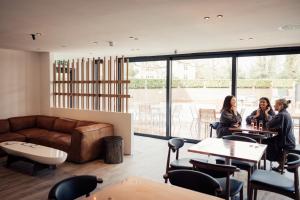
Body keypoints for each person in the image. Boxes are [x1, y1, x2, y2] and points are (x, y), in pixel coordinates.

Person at [264, 98, 296, 169]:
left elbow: (269, 124)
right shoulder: (285, 113)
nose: (274, 106)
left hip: (286, 142)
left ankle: (280, 161)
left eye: (275, 104)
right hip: (289, 140)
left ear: (280, 105)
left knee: (264, 142)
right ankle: (281, 162)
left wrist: (266, 115)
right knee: (270, 141)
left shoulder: (281, 115)